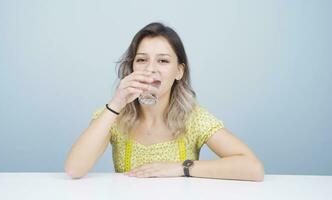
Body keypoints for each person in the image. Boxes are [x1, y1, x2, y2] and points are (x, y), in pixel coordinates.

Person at [65, 22, 265, 181]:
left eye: (163, 60)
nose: (150, 69)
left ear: (179, 71)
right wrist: (116, 103)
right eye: (142, 60)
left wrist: (181, 168)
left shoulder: (194, 118)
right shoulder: (113, 116)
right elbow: (74, 169)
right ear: (132, 67)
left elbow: (253, 168)